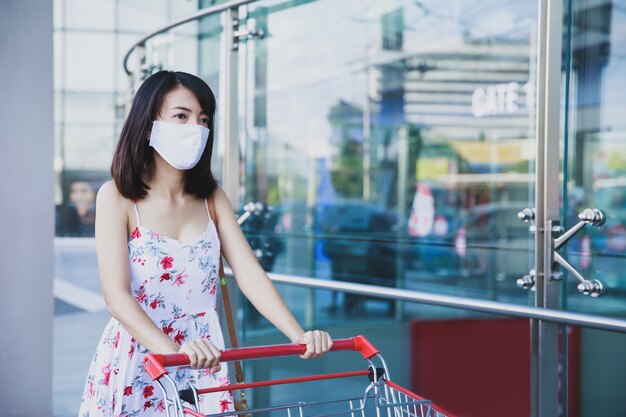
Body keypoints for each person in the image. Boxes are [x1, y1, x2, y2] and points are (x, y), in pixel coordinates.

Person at [78, 70, 333, 416]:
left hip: (206, 359)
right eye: (180, 117)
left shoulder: (211, 197)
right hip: (141, 357)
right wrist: (176, 355)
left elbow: (249, 273)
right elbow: (116, 298)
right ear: (148, 124)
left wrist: (297, 334)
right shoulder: (118, 197)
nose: (194, 129)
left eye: (202, 120)